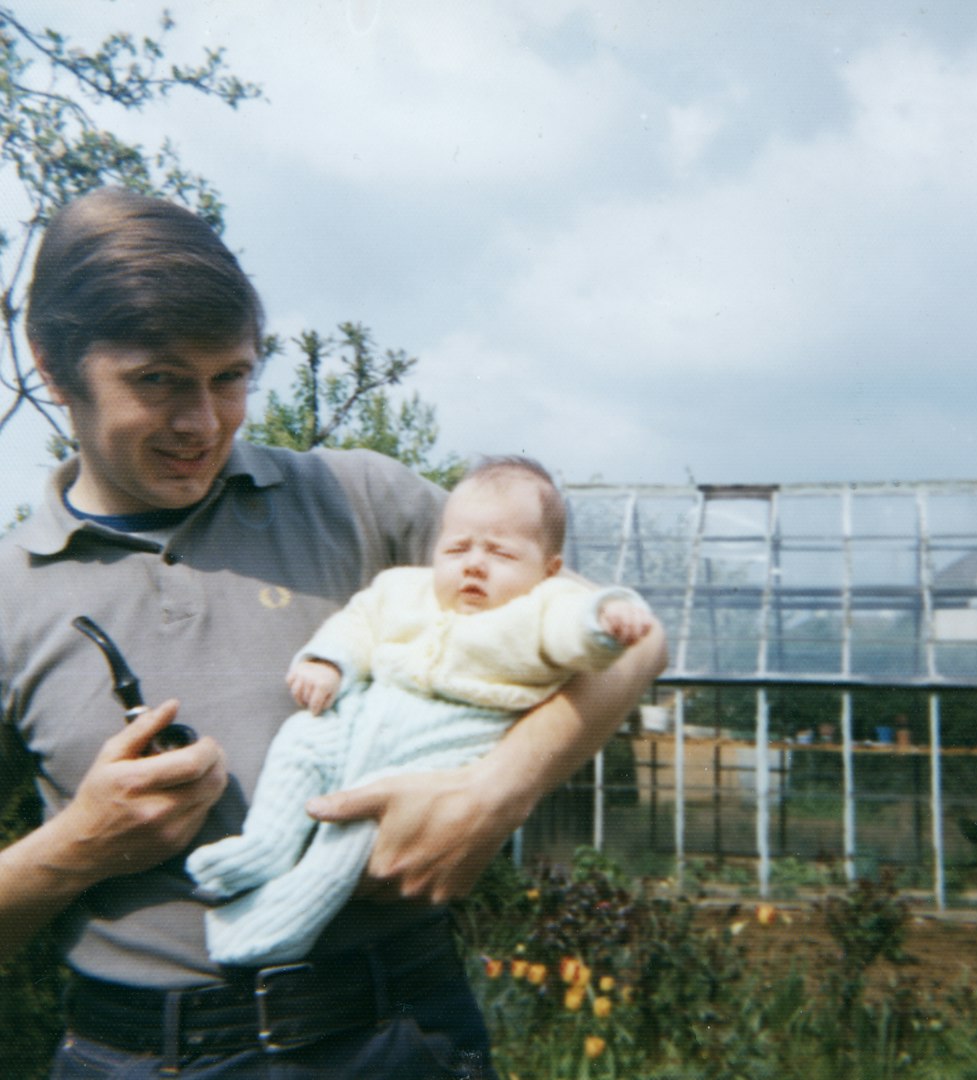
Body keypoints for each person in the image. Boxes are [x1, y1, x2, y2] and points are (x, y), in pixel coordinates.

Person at [0, 188, 667, 1079]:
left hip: (394, 1031)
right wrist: (80, 844)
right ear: (53, 367)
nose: (204, 423)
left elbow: (633, 637)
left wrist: (499, 791)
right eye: (158, 381)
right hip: (135, 1055)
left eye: (230, 377)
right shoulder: (10, 595)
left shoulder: (357, 500)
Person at [186, 456, 654, 967]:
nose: (474, 564)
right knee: (302, 737)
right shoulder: (402, 589)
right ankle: (267, 844)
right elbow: (358, 624)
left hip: (441, 748)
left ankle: (287, 916)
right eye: (457, 548)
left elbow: (572, 628)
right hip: (362, 718)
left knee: (362, 828)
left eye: (500, 553)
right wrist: (328, 662)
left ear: (549, 569)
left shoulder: (541, 607)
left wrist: (603, 620)